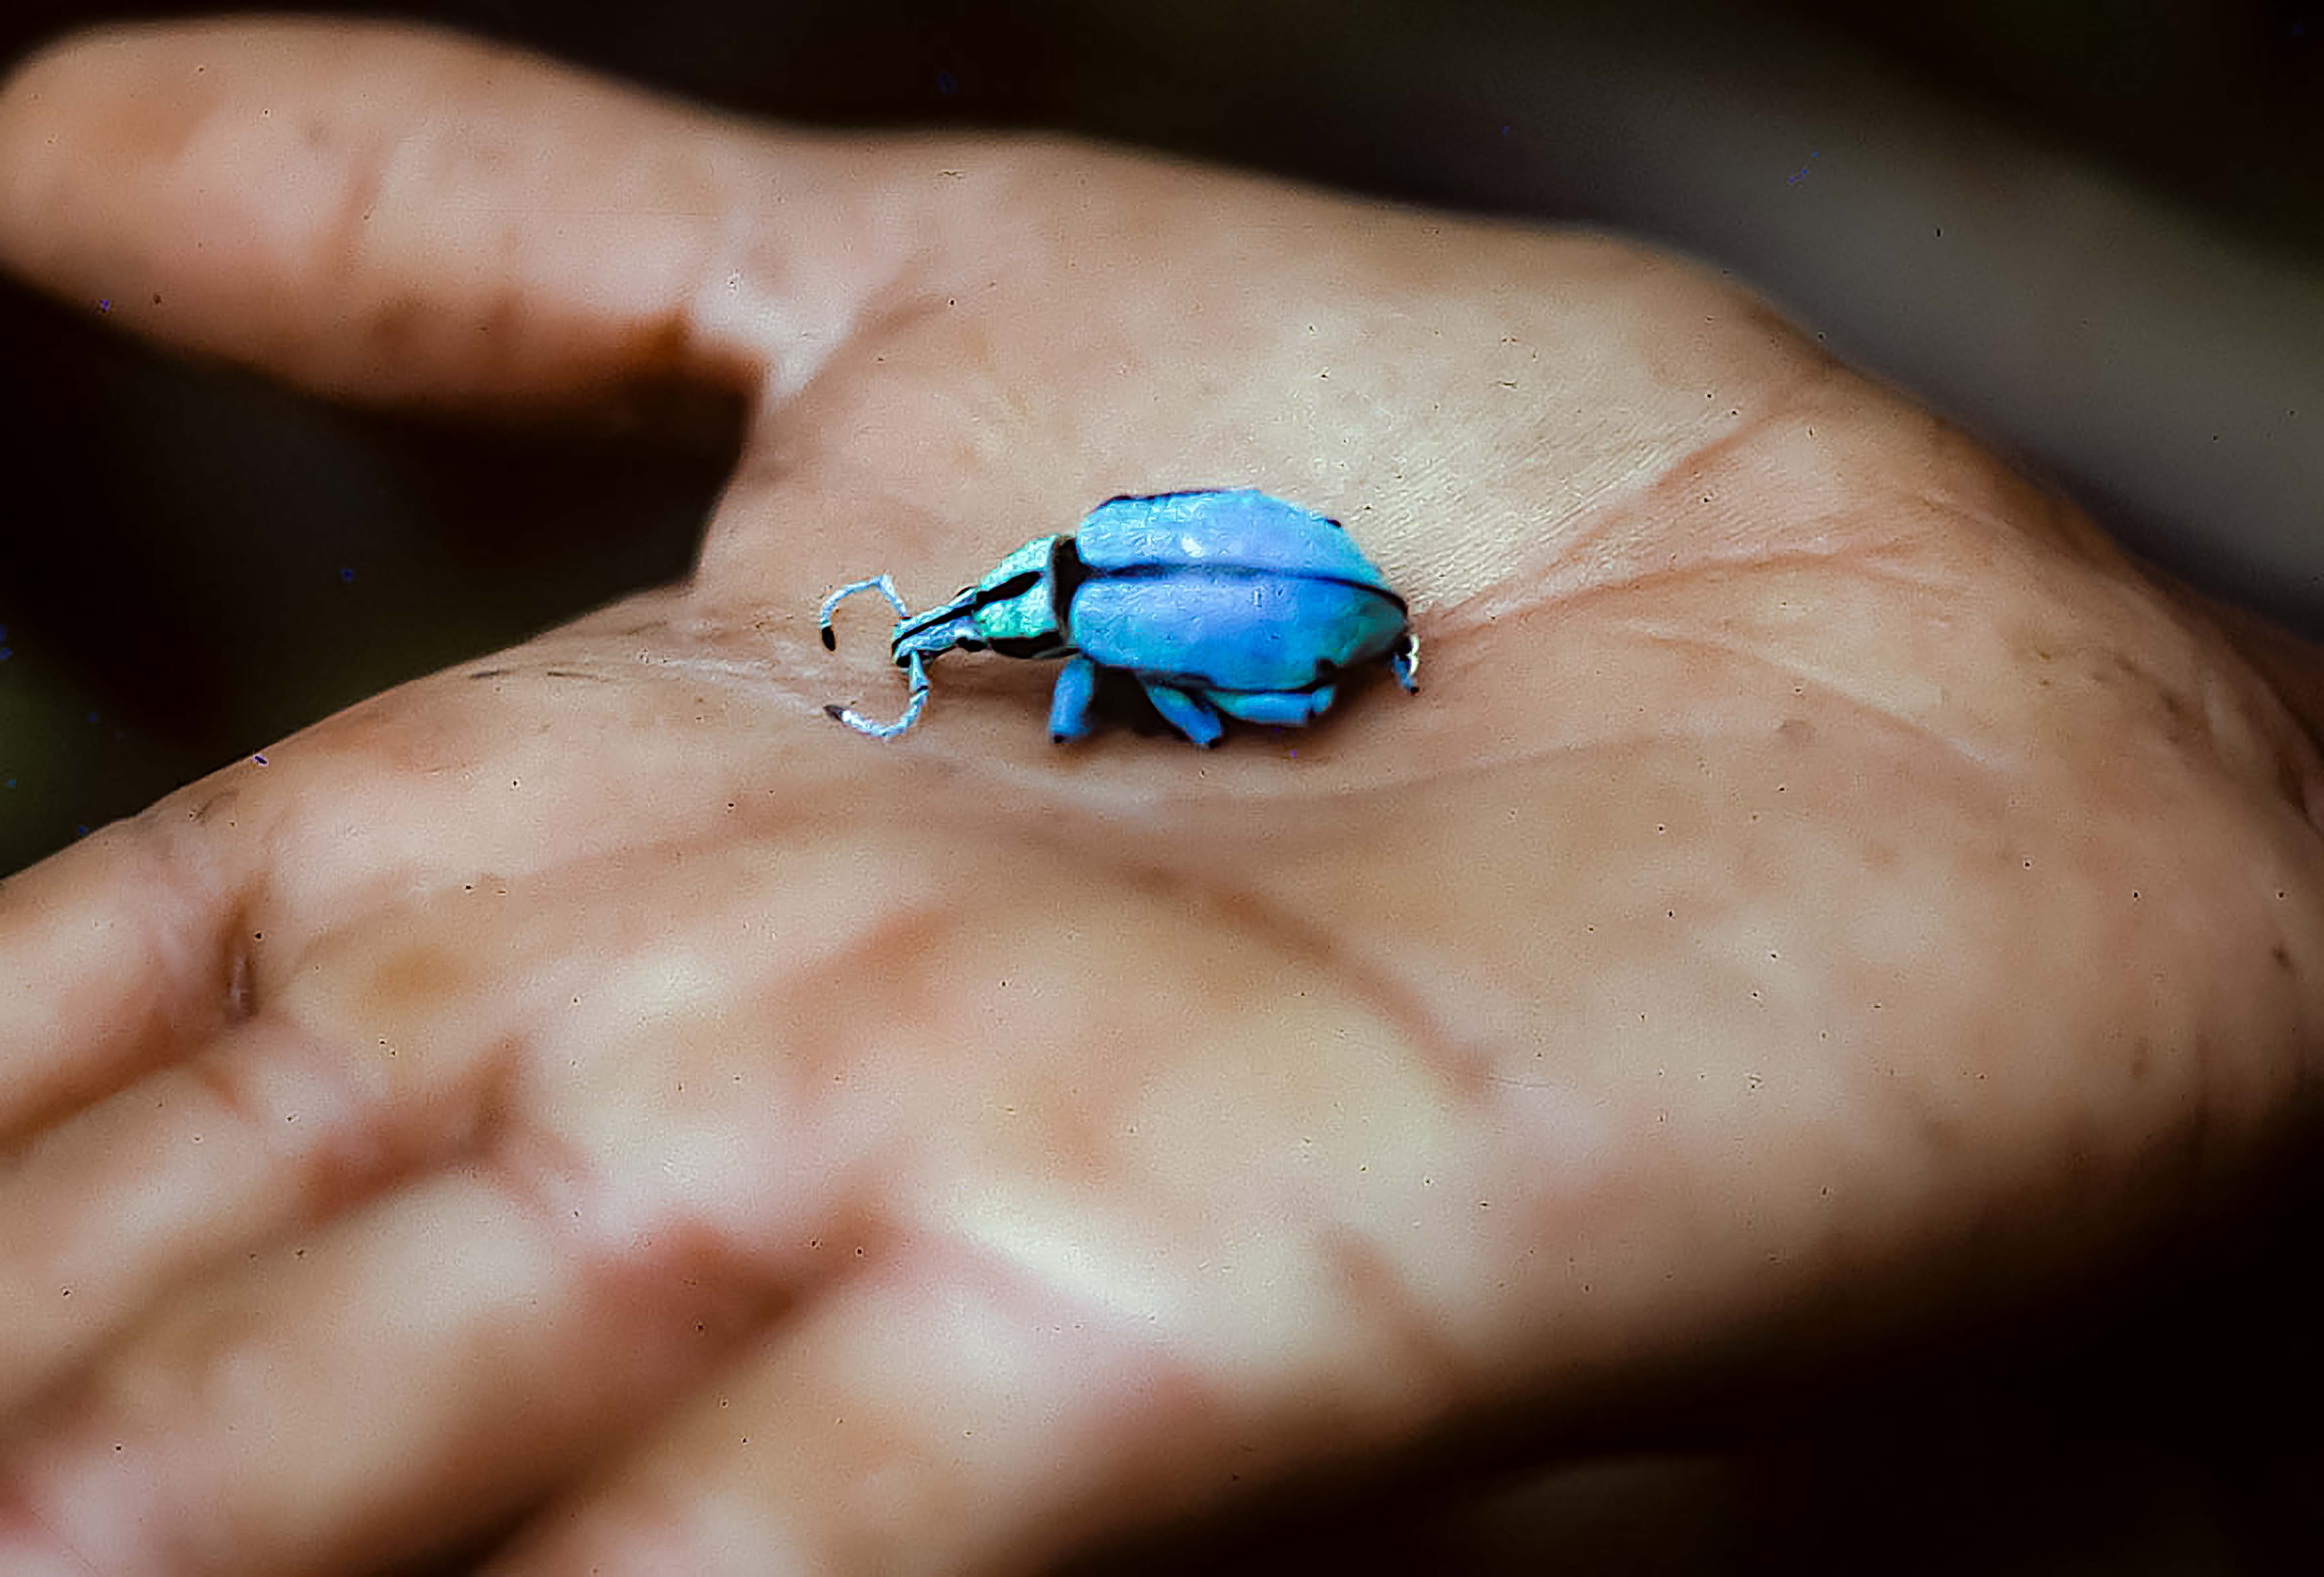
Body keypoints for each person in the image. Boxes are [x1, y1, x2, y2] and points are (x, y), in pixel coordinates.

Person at [0, 18, 2317, 1575]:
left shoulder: (1103, 629)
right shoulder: (1066, 597)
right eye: (983, 642)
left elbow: (1173, 663)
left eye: (987, 640)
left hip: (1289, 614)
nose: (977, 655)